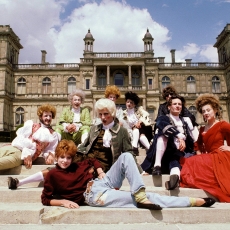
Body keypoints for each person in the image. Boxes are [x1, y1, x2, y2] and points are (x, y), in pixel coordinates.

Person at [41, 139, 216, 209]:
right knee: (151, 196)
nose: (65, 161)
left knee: (126, 155)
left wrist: (101, 171)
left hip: (101, 183)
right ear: (56, 157)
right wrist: (63, 201)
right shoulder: (52, 175)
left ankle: (139, 193)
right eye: (62, 157)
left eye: (68, 158)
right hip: (93, 195)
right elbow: (46, 199)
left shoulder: (77, 165)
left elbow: (92, 161)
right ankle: (192, 202)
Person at [8, 98, 139, 189]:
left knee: (74, 175)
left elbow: (128, 153)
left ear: (112, 113)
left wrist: (139, 169)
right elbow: (85, 145)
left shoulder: (121, 131)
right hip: (85, 157)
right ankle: (19, 182)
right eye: (100, 114)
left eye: (106, 114)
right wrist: (73, 153)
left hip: (103, 165)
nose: (103, 118)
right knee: (59, 166)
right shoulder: (95, 128)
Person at [180, 93, 230, 202]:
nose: (206, 113)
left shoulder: (223, 125)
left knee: (191, 162)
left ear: (215, 110)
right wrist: (200, 156)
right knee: (191, 161)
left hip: (222, 156)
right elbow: (197, 145)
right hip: (210, 156)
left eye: (208, 110)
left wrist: (229, 148)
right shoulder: (202, 129)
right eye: (203, 111)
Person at [141, 95, 195, 190]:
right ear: (169, 107)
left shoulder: (184, 121)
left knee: (175, 162)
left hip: (176, 153)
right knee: (163, 134)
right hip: (162, 154)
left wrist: (192, 147)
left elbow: (190, 139)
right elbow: (163, 126)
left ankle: (174, 180)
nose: (178, 106)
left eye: (180, 104)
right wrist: (180, 136)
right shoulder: (163, 118)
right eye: (175, 104)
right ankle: (157, 166)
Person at [1, 104, 60, 173]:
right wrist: (27, 152)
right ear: (41, 117)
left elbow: (50, 150)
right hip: (12, 147)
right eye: (46, 116)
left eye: (50, 116)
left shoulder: (53, 134)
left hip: (20, 156)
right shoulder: (32, 125)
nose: (48, 118)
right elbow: (19, 138)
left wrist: (50, 156)